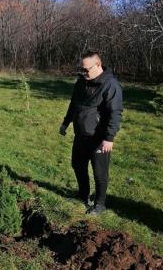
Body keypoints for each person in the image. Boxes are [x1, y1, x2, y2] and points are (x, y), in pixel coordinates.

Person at [59, 50, 123, 215]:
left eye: (86, 70)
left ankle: (100, 204)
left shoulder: (110, 85)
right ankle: (83, 195)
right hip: (81, 134)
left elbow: (114, 113)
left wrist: (109, 138)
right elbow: (74, 104)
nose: (83, 73)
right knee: (78, 165)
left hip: (99, 138)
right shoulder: (81, 82)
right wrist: (66, 122)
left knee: (99, 173)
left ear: (98, 64)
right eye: (81, 69)